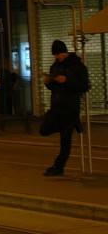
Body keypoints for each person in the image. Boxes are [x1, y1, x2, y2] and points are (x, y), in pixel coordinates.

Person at [39, 39, 89, 176]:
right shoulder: (55, 66)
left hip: (70, 106)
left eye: (58, 54)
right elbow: (54, 86)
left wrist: (67, 80)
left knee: (65, 140)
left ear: (64, 52)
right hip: (56, 105)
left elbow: (85, 86)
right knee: (43, 129)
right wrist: (49, 82)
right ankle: (72, 124)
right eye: (55, 55)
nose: (57, 57)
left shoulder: (78, 66)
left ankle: (58, 166)